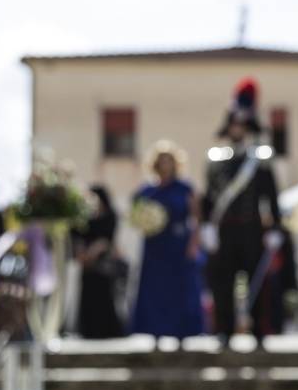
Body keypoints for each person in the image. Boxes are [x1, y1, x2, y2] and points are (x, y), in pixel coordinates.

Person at [201, 78, 282, 349]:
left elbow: (271, 195)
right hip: (224, 228)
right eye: (234, 123)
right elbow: (209, 196)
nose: (238, 128)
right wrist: (206, 227)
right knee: (223, 282)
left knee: (255, 281)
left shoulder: (259, 157)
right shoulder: (215, 158)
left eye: (242, 124)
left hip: (252, 227)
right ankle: (224, 331)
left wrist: (275, 228)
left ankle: (258, 331)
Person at [130, 140, 204, 340]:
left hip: (178, 245)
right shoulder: (147, 190)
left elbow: (196, 218)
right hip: (155, 247)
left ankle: (181, 334)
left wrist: (194, 244)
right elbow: (135, 215)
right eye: (161, 160)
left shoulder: (184, 188)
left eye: (168, 160)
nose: (165, 164)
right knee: (155, 292)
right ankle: (156, 332)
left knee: (179, 291)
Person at [73, 185, 124, 339]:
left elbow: (106, 239)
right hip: (87, 265)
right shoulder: (83, 216)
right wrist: (82, 254)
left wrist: (91, 253)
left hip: (103, 263)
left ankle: (107, 331)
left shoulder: (110, 216)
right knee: (88, 297)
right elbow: (77, 236)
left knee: (104, 297)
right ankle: (89, 330)